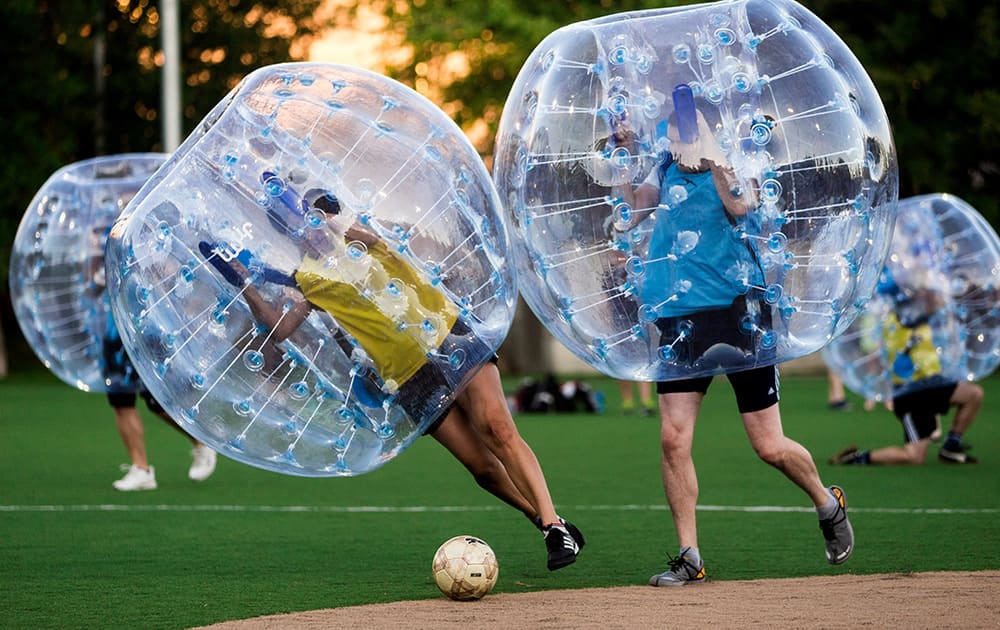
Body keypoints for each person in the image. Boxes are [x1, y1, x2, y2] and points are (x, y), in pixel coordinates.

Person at [200, 183, 584, 570]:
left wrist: (340, 222)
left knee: (497, 429)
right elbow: (280, 328)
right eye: (301, 221)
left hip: (446, 336)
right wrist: (243, 284)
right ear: (289, 231)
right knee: (481, 468)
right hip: (406, 376)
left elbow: (390, 244)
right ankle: (542, 520)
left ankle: (554, 526)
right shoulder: (306, 279)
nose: (311, 226)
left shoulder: (359, 238)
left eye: (315, 216)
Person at [609, 96, 854, 585]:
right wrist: (625, 154)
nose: (675, 143)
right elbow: (629, 213)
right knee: (672, 438)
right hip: (681, 315)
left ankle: (827, 503)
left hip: (740, 311)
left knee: (768, 445)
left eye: (683, 133)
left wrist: (716, 159)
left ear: (704, 132)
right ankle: (689, 556)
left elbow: (741, 205)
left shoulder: (737, 164)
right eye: (671, 135)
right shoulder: (664, 168)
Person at [89, 226, 217, 491]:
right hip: (116, 333)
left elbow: (174, 282)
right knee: (120, 400)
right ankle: (141, 469)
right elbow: (94, 287)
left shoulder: (152, 244)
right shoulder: (103, 245)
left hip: (149, 332)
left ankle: (201, 441)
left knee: (157, 402)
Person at [830, 306, 983, 465]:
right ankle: (857, 458)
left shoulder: (926, 318)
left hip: (933, 383)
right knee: (914, 457)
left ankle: (951, 447)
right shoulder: (900, 321)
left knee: (973, 394)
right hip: (912, 394)